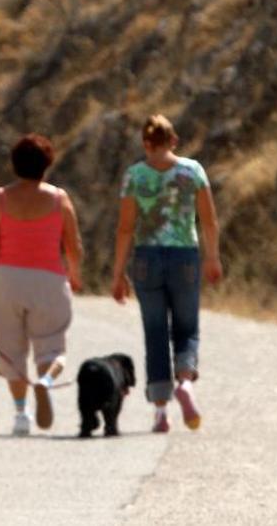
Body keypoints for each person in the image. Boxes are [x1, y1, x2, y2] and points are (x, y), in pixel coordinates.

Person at [111, 115, 222, 433]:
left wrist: (118, 274)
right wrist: (212, 257)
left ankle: (160, 412)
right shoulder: (192, 171)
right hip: (185, 256)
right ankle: (185, 382)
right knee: (186, 328)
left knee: (155, 331)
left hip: (147, 258)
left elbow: (125, 229)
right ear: (174, 140)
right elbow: (209, 220)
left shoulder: (135, 175)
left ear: (146, 143)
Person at [0, 134, 84, 436]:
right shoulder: (59, 199)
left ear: (14, 164)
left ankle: (21, 414)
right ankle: (45, 381)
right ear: (47, 164)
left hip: (5, 280)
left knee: (11, 349)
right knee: (52, 346)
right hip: (48, 279)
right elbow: (72, 246)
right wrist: (73, 274)